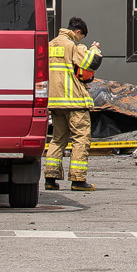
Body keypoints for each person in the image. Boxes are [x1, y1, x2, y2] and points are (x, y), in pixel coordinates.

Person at [44, 16, 102, 191]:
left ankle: (50, 178)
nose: (80, 39)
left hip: (55, 102)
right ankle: (78, 180)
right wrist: (93, 49)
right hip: (74, 101)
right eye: (80, 37)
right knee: (81, 138)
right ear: (77, 32)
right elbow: (91, 63)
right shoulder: (72, 46)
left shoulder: (50, 44)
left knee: (57, 139)